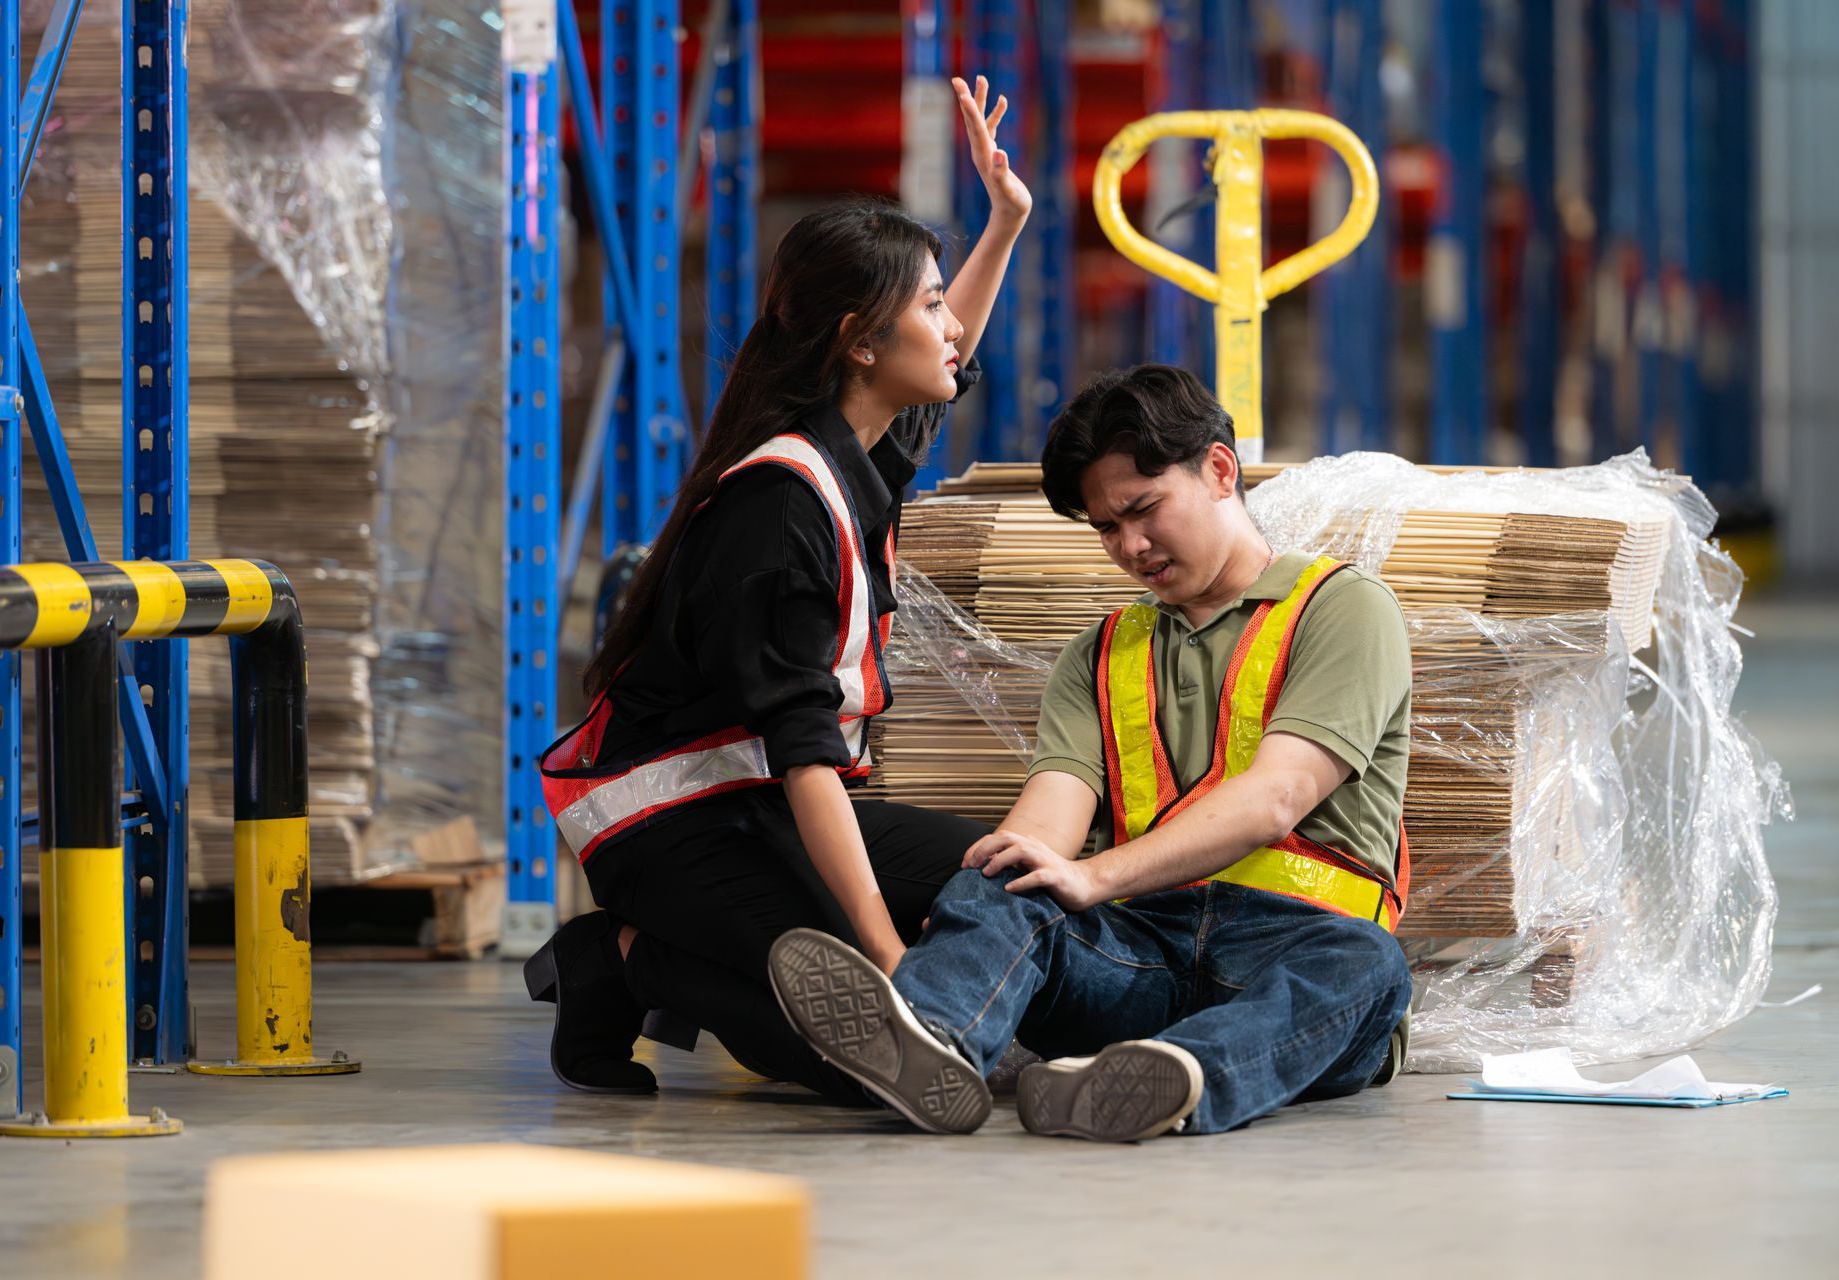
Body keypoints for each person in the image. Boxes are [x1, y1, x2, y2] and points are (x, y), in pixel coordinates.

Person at [525, 76, 1031, 1107]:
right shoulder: (779, 505)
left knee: (1000, 870)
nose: (948, 328)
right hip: (665, 821)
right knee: (862, 1056)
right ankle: (616, 958)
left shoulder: (847, 452)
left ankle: (810, 971)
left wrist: (1007, 220)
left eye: (942, 301)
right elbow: (803, 749)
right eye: (928, 305)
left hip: (758, 799)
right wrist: (891, 957)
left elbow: (943, 368)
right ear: (858, 341)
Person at [769, 363, 1415, 1140]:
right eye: (1107, 528)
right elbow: (1049, 820)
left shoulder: (1342, 609)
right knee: (1000, 875)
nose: (1130, 546)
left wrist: (1097, 876)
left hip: (1294, 949)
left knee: (1369, 966)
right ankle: (930, 1039)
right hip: (1141, 953)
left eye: (1144, 510)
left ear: (1218, 469)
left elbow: (1276, 797)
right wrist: (1013, 868)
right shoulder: (1099, 655)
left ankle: (1172, 1076)